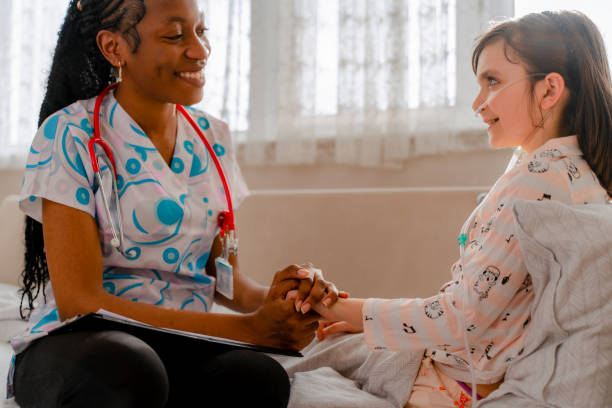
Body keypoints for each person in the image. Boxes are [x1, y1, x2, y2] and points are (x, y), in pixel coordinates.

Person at [7, 0, 340, 407]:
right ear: (115, 48)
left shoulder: (212, 137)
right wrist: (251, 331)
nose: (199, 50)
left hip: (180, 341)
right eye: (174, 35)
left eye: (202, 31)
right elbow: (80, 301)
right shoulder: (70, 133)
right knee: (129, 371)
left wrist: (287, 301)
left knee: (257, 379)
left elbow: (222, 279)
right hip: (86, 343)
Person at [307, 10, 612, 408]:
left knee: (300, 361)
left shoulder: (534, 183)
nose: (477, 103)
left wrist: (336, 306)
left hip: (453, 384)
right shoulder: (578, 174)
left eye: (493, 82)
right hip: (468, 373)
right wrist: (357, 317)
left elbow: (459, 318)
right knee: (340, 342)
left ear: (549, 90)